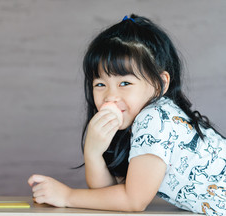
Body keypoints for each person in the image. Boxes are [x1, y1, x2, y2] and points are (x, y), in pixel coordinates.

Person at [28, 14, 225, 214]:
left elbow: (133, 202)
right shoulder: (142, 120)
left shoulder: (155, 119)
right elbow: (109, 197)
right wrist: (93, 152)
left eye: (125, 83)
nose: (110, 96)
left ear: (160, 84)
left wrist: (67, 196)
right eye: (100, 84)